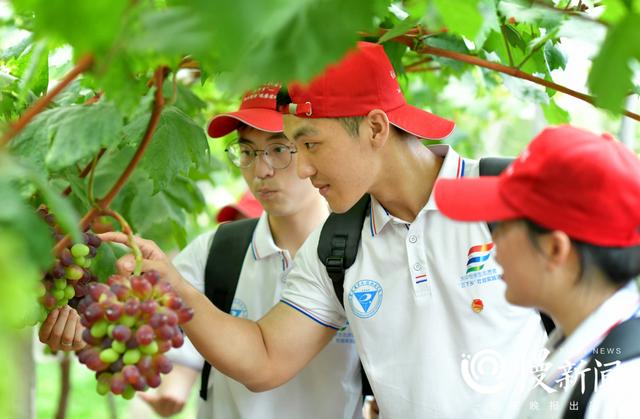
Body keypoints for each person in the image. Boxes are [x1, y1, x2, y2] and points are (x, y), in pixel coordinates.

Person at [104, 42, 547, 418]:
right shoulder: (337, 246)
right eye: (293, 147)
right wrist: (172, 283)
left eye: (310, 144)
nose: (301, 167)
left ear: (375, 127)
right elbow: (264, 358)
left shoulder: (510, 198)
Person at [108, 83, 364, 419]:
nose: (261, 171)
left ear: (311, 146)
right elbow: (131, 332)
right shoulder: (215, 251)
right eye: (247, 152)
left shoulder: (365, 251)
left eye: (280, 149)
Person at [434, 125, 640, 418]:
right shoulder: (576, 355)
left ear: (556, 249)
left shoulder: (622, 395)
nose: (493, 245)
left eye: (502, 224)